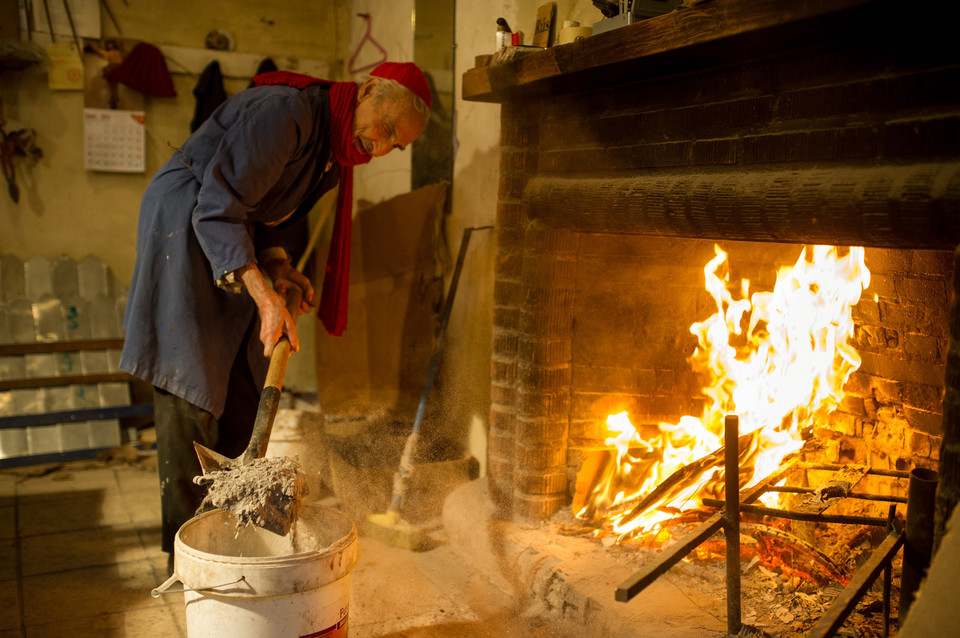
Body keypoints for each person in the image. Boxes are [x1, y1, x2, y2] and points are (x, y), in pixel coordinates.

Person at [119, 62, 432, 567]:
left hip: (224, 236)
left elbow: (262, 214)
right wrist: (264, 297)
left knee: (243, 376)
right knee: (189, 379)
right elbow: (220, 206)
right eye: (386, 126)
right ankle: (191, 558)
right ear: (368, 89)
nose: (380, 144)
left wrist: (278, 266)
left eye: (395, 145)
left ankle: (234, 538)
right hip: (186, 225)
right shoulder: (286, 113)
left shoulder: (331, 157)